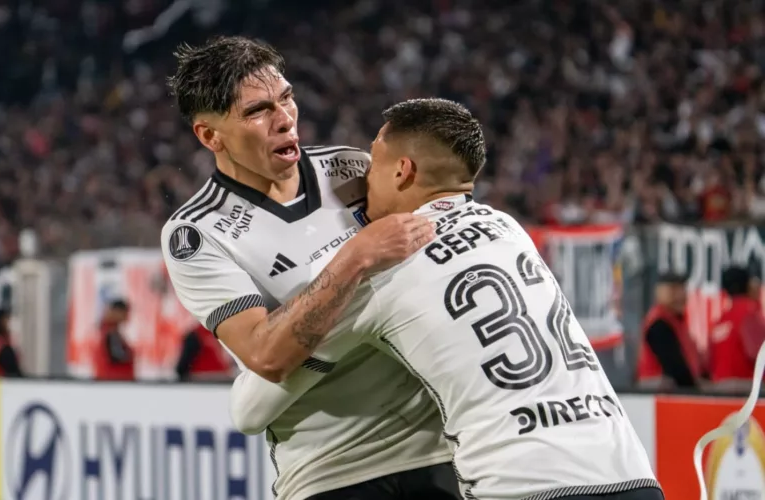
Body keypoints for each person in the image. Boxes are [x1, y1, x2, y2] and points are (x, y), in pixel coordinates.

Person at [230, 98, 662, 500]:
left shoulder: (379, 266)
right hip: (631, 472)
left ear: (402, 171)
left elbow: (250, 410)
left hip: (525, 486)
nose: (363, 181)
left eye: (373, 164)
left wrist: (343, 270)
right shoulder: (509, 229)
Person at [161, 36, 458, 500]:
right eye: (257, 111)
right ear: (209, 135)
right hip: (330, 470)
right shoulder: (198, 234)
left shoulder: (354, 170)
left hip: (435, 448)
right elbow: (266, 356)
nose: (284, 120)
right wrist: (356, 257)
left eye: (287, 98)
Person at [636, 273, 703, 389]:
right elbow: (676, 369)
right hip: (658, 393)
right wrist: (696, 390)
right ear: (659, 293)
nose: (680, 295)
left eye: (682, 289)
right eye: (673, 290)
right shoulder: (659, 324)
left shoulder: (677, 321)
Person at [708, 266, 765, 392]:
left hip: (718, 390)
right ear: (749, 285)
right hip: (745, 391)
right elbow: (759, 353)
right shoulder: (749, 313)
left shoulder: (721, 320)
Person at [93, 299, 135, 381]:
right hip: (115, 383)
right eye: (125, 312)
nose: (127, 317)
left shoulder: (105, 331)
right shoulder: (110, 333)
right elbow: (119, 357)